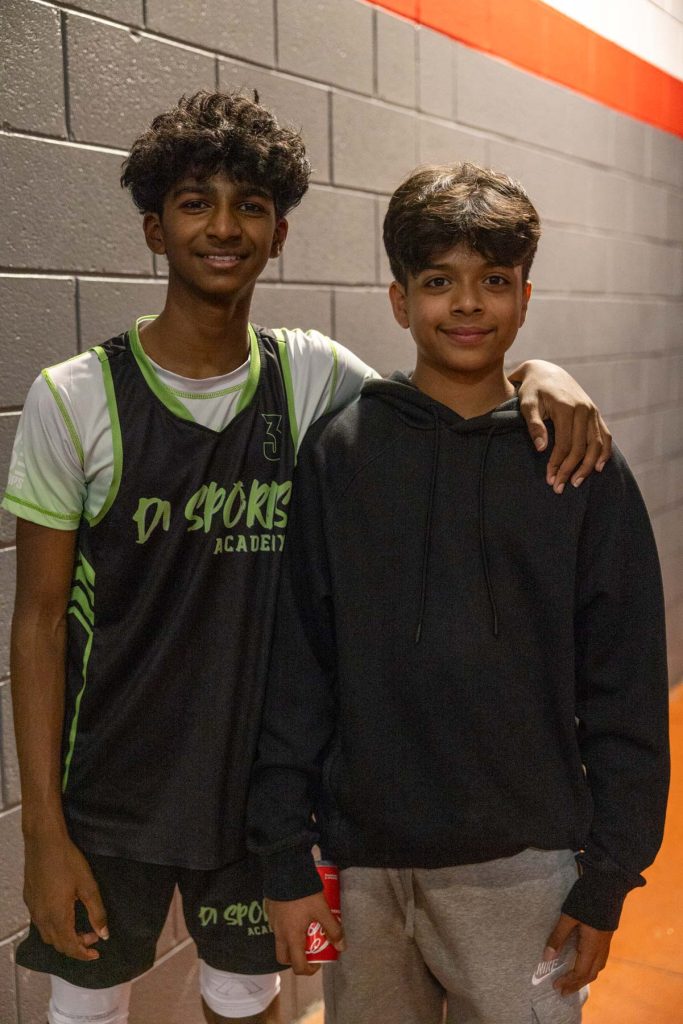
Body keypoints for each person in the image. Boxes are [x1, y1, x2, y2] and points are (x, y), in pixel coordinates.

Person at [3, 87, 612, 1024]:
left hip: (257, 795)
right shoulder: (74, 397)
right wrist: (41, 832)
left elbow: (445, 388)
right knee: (82, 1010)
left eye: (250, 206)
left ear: (279, 234)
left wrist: (541, 371)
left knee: (247, 1002)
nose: (224, 227)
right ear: (153, 230)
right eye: (194, 202)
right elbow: (39, 625)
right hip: (111, 789)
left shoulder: (312, 374)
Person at [247, 162, 670, 1024]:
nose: (467, 304)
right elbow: (296, 669)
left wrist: (606, 879)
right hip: (366, 868)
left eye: (493, 282)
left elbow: (624, 685)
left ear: (523, 297)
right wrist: (285, 858)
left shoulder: (578, 464)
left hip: (528, 869)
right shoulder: (342, 453)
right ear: (400, 300)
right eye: (438, 282)